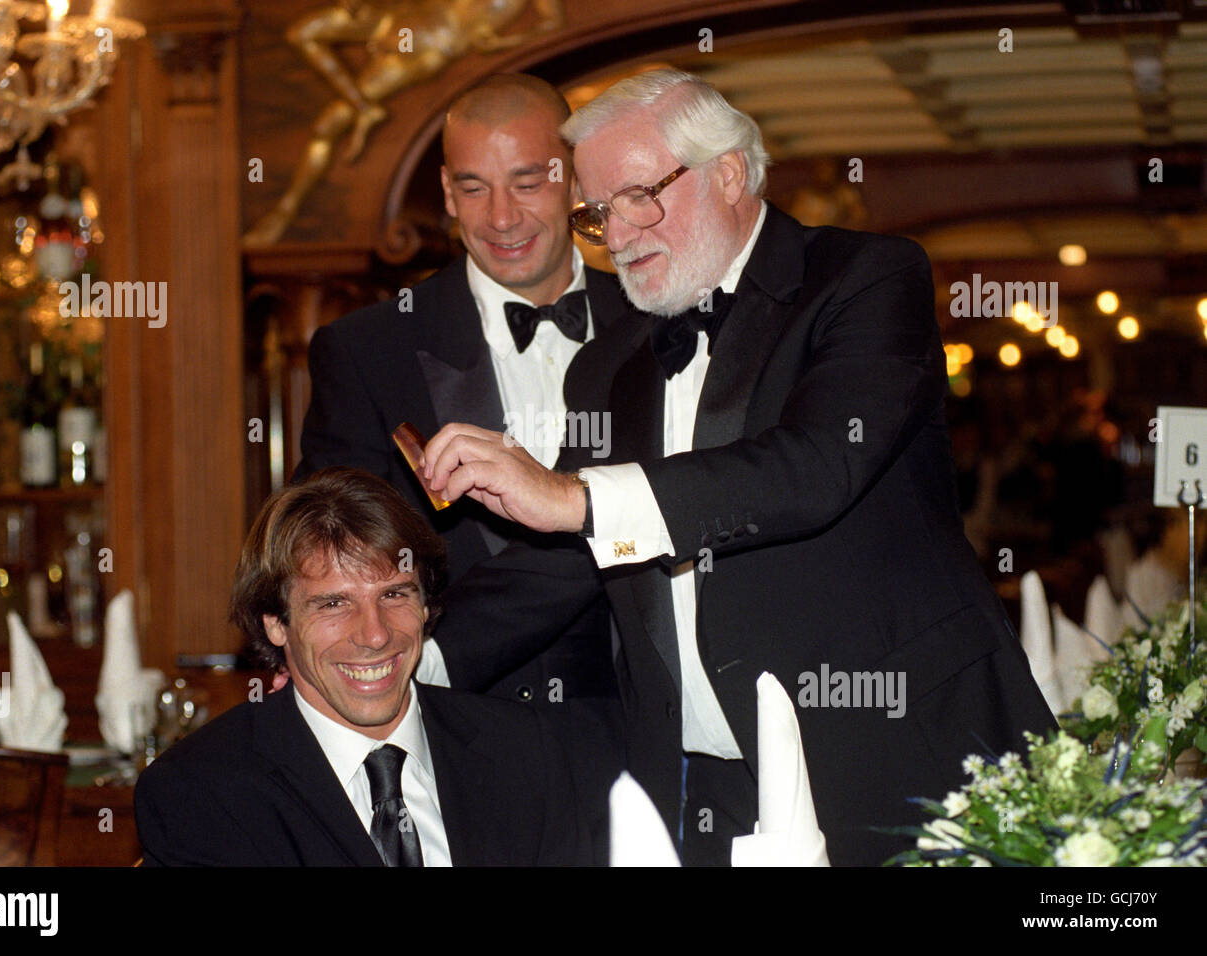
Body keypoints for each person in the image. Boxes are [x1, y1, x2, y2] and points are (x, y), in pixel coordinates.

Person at [422, 68, 1056, 866]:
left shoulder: (864, 279)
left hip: (896, 756)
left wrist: (578, 497)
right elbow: (564, 557)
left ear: (727, 172)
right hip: (705, 790)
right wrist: (409, 648)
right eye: (597, 212)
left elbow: (817, 467)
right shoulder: (610, 365)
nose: (617, 236)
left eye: (639, 196)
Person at [293, 73, 631, 708]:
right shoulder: (369, 349)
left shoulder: (656, 325)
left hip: (644, 724)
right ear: (447, 193)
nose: (502, 218)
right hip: (452, 721)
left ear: (576, 180)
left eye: (528, 183)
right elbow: (328, 541)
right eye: (474, 188)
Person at [134, 467, 598, 866]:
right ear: (276, 623)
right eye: (333, 604)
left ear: (425, 605)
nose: (375, 635)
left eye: (394, 594)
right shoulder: (202, 792)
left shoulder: (527, 752)